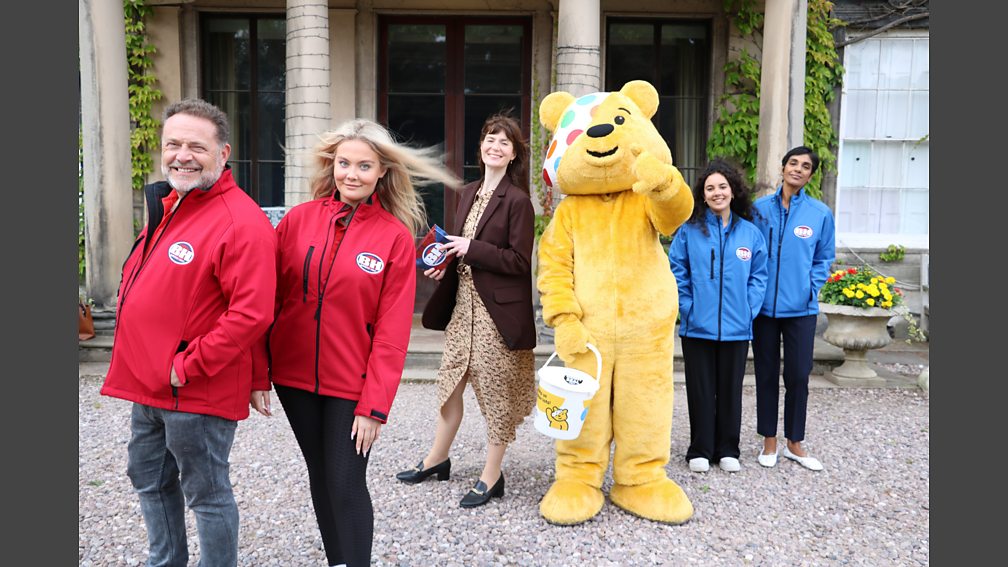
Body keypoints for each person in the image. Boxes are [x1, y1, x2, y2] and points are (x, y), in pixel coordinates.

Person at [262, 118, 460, 567]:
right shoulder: (297, 220)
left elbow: (392, 333)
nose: (352, 174)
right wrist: (259, 372)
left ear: (382, 172)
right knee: (321, 476)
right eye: (344, 163)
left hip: (351, 383)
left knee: (347, 480)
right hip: (292, 378)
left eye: (364, 166)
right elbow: (268, 298)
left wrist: (374, 407)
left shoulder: (391, 236)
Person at [100, 98, 278, 567]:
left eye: (196, 146)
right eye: (173, 144)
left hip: (193, 388)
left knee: (207, 493)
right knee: (148, 478)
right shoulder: (172, 203)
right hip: (150, 383)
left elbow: (251, 314)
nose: (181, 155)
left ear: (223, 154)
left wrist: (185, 366)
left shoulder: (241, 221)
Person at [395, 113, 537, 509]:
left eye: (504, 143)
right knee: (449, 388)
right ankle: (437, 459)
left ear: (513, 155)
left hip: (497, 316)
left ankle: (492, 476)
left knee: (495, 396)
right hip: (463, 312)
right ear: (481, 147)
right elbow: (460, 251)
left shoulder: (519, 201)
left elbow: (520, 262)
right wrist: (446, 263)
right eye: (490, 139)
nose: (495, 146)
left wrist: (469, 249)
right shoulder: (467, 192)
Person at [667, 159, 768, 474]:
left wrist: (749, 308)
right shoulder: (689, 231)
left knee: (730, 390)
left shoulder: (750, 234)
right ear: (703, 194)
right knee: (700, 389)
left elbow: (759, 276)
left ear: (733, 190)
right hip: (698, 326)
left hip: (737, 327)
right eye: (710, 188)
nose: (716, 192)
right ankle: (700, 448)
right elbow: (677, 271)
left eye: (722, 186)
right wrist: (688, 307)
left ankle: (728, 449)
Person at [751, 145, 836, 471]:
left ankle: (794, 442)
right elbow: (750, 253)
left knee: (798, 376)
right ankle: (769, 440)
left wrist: (810, 288)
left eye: (805, 166)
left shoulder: (819, 214)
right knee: (766, 375)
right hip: (764, 312)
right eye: (793, 163)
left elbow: (823, 258)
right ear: (783, 167)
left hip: (801, 310)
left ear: (810, 175)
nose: (798, 169)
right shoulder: (759, 210)